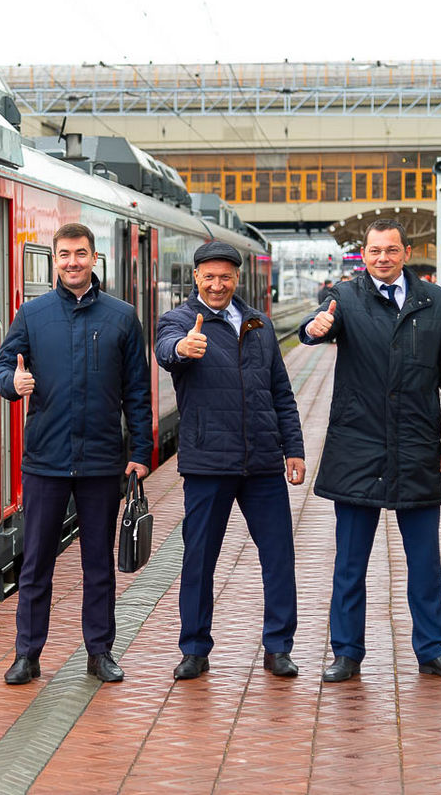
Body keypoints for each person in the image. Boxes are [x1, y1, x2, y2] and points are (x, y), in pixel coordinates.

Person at [300, 218, 441, 683]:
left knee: (425, 562)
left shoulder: (434, 302)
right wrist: (314, 328)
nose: (382, 258)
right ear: (364, 253)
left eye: (390, 250)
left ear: (405, 251)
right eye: (374, 251)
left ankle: (433, 648)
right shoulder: (345, 296)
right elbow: (316, 327)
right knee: (349, 565)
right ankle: (347, 652)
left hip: (417, 448)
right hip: (358, 449)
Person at [0, 222, 152, 686]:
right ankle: (27, 655)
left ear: (94, 259)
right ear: (55, 260)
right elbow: (3, 366)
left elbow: (137, 393)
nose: (72, 262)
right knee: (36, 562)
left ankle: (99, 653)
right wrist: (12, 383)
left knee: (97, 564)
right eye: (64, 255)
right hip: (46, 461)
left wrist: (139, 452)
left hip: (102, 463)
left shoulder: (121, 317)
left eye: (80, 254)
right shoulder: (33, 315)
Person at [155, 241, 305, 680]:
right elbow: (167, 349)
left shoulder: (258, 324)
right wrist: (183, 348)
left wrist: (292, 448)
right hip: (207, 464)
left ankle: (278, 646)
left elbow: (281, 392)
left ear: (237, 279)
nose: (217, 285)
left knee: (279, 556)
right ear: (196, 278)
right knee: (199, 558)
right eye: (209, 277)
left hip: (262, 463)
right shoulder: (180, 321)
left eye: (225, 277)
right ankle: (195, 649)